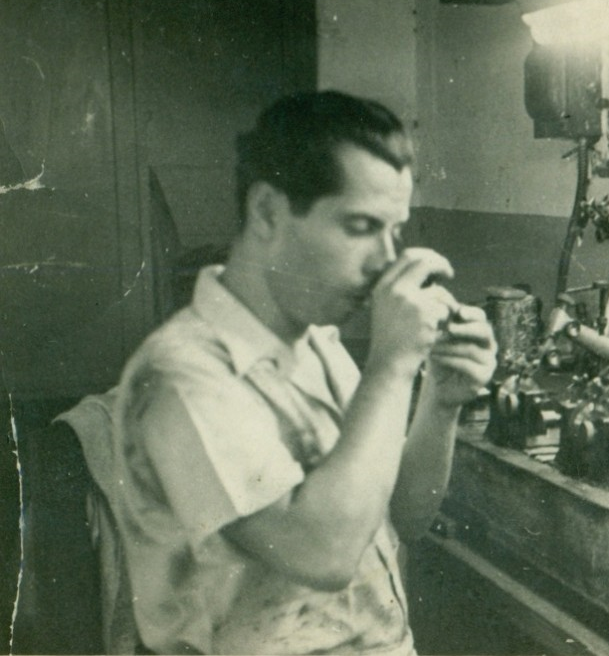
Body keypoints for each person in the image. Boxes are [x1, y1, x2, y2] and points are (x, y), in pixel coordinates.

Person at [107, 91, 497, 654]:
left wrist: (441, 399)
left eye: (395, 230)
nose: (386, 259)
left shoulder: (315, 343)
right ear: (268, 210)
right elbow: (325, 552)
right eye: (361, 226)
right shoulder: (180, 376)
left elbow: (400, 518)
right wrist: (390, 367)